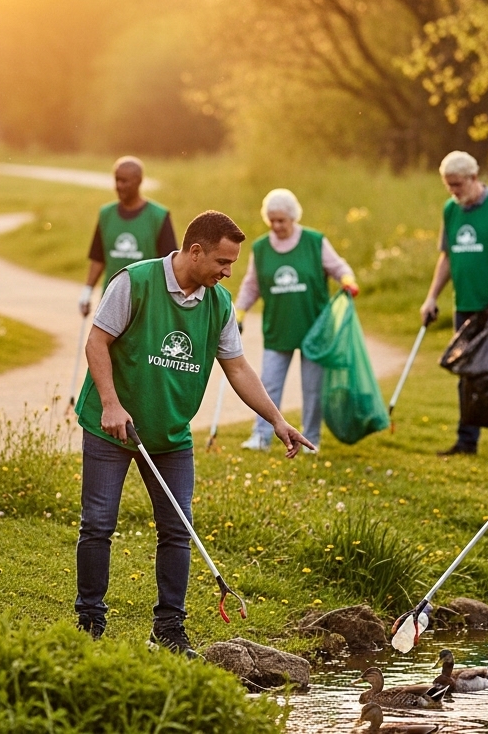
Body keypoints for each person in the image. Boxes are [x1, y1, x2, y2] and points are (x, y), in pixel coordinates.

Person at [75, 210, 315, 655]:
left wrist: (276, 420)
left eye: (233, 264)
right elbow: (97, 341)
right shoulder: (135, 282)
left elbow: (237, 368)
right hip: (113, 427)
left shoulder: (219, 303)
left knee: (177, 529)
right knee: (98, 525)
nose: (228, 273)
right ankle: (89, 623)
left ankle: (168, 630)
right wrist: (110, 403)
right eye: (223, 262)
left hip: (170, 433)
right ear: (196, 251)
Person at [420, 150, 488, 458]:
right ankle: (466, 442)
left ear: (474, 177)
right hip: (466, 303)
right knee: (467, 372)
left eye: (458, 184)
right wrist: (431, 296)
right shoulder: (451, 210)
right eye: (449, 185)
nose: (454, 191)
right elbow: (447, 256)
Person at [234, 188, 358, 450]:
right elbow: (251, 285)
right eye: (272, 220)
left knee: (312, 389)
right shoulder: (261, 248)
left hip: (315, 330)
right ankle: (261, 436)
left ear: (293, 217)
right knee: (268, 385)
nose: (276, 226)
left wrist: (347, 280)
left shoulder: (314, 241)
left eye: (282, 220)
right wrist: (239, 312)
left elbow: (338, 267)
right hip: (278, 329)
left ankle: (311, 438)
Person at [77, 156, 178, 317]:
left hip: (146, 302)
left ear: (139, 181)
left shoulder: (158, 216)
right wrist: (87, 292)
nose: (119, 185)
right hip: (111, 301)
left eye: (125, 181)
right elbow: (98, 258)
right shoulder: (106, 215)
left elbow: (170, 265)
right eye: (117, 180)